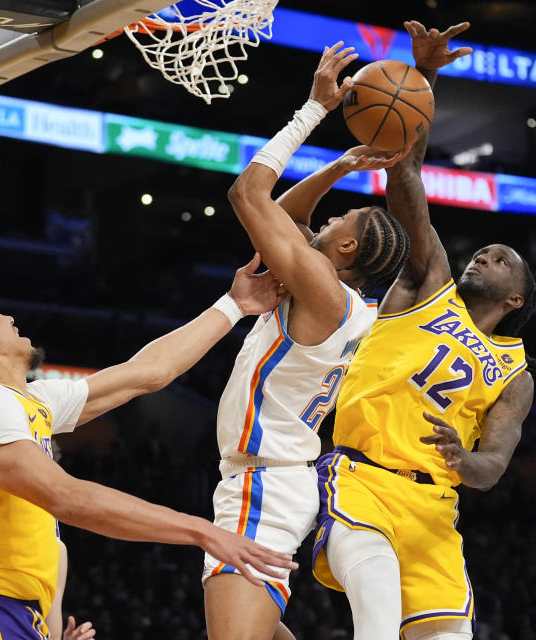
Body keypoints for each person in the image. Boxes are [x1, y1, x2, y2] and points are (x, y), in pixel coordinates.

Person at [0, 254, 299, 640]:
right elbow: (68, 498)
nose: (10, 317)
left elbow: (147, 373)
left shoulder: (29, 403)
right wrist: (203, 531)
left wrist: (235, 305)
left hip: (4, 619)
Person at [308, 21, 536, 640]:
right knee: (377, 621)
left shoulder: (515, 375)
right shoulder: (429, 282)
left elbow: (493, 465)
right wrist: (425, 76)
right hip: (361, 481)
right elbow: (408, 175)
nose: (483, 258)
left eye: (500, 260)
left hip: (435, 515)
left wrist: (464, 459)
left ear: (516, 296)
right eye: (484, 251)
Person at [202, 43, 412, 640]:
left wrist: (312, 111)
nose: (325, 222)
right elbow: (288, 221)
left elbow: (249, 196)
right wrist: (340, 168)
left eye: (338, 220)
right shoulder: (342, 303)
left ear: (345, 250)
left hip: (264, 483)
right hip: (277, 479)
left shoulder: (322, 293)